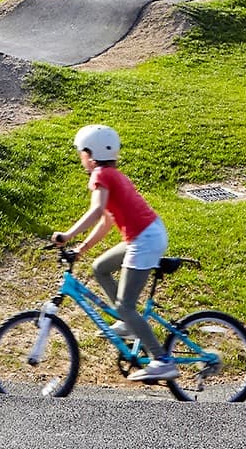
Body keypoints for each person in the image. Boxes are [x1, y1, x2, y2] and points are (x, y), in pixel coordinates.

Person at [51, 124, 177, 382]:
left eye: (81, 152)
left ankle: (161, 359)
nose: (80, 157)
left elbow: (97, 211)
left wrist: (67, 235)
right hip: (145, 235)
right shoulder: (111, 175)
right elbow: (106, 222)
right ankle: (128, 324)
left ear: (90, 152)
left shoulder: (101, 175)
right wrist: (82, 249)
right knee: (100, 267)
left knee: (126, 305)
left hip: (145, 239)